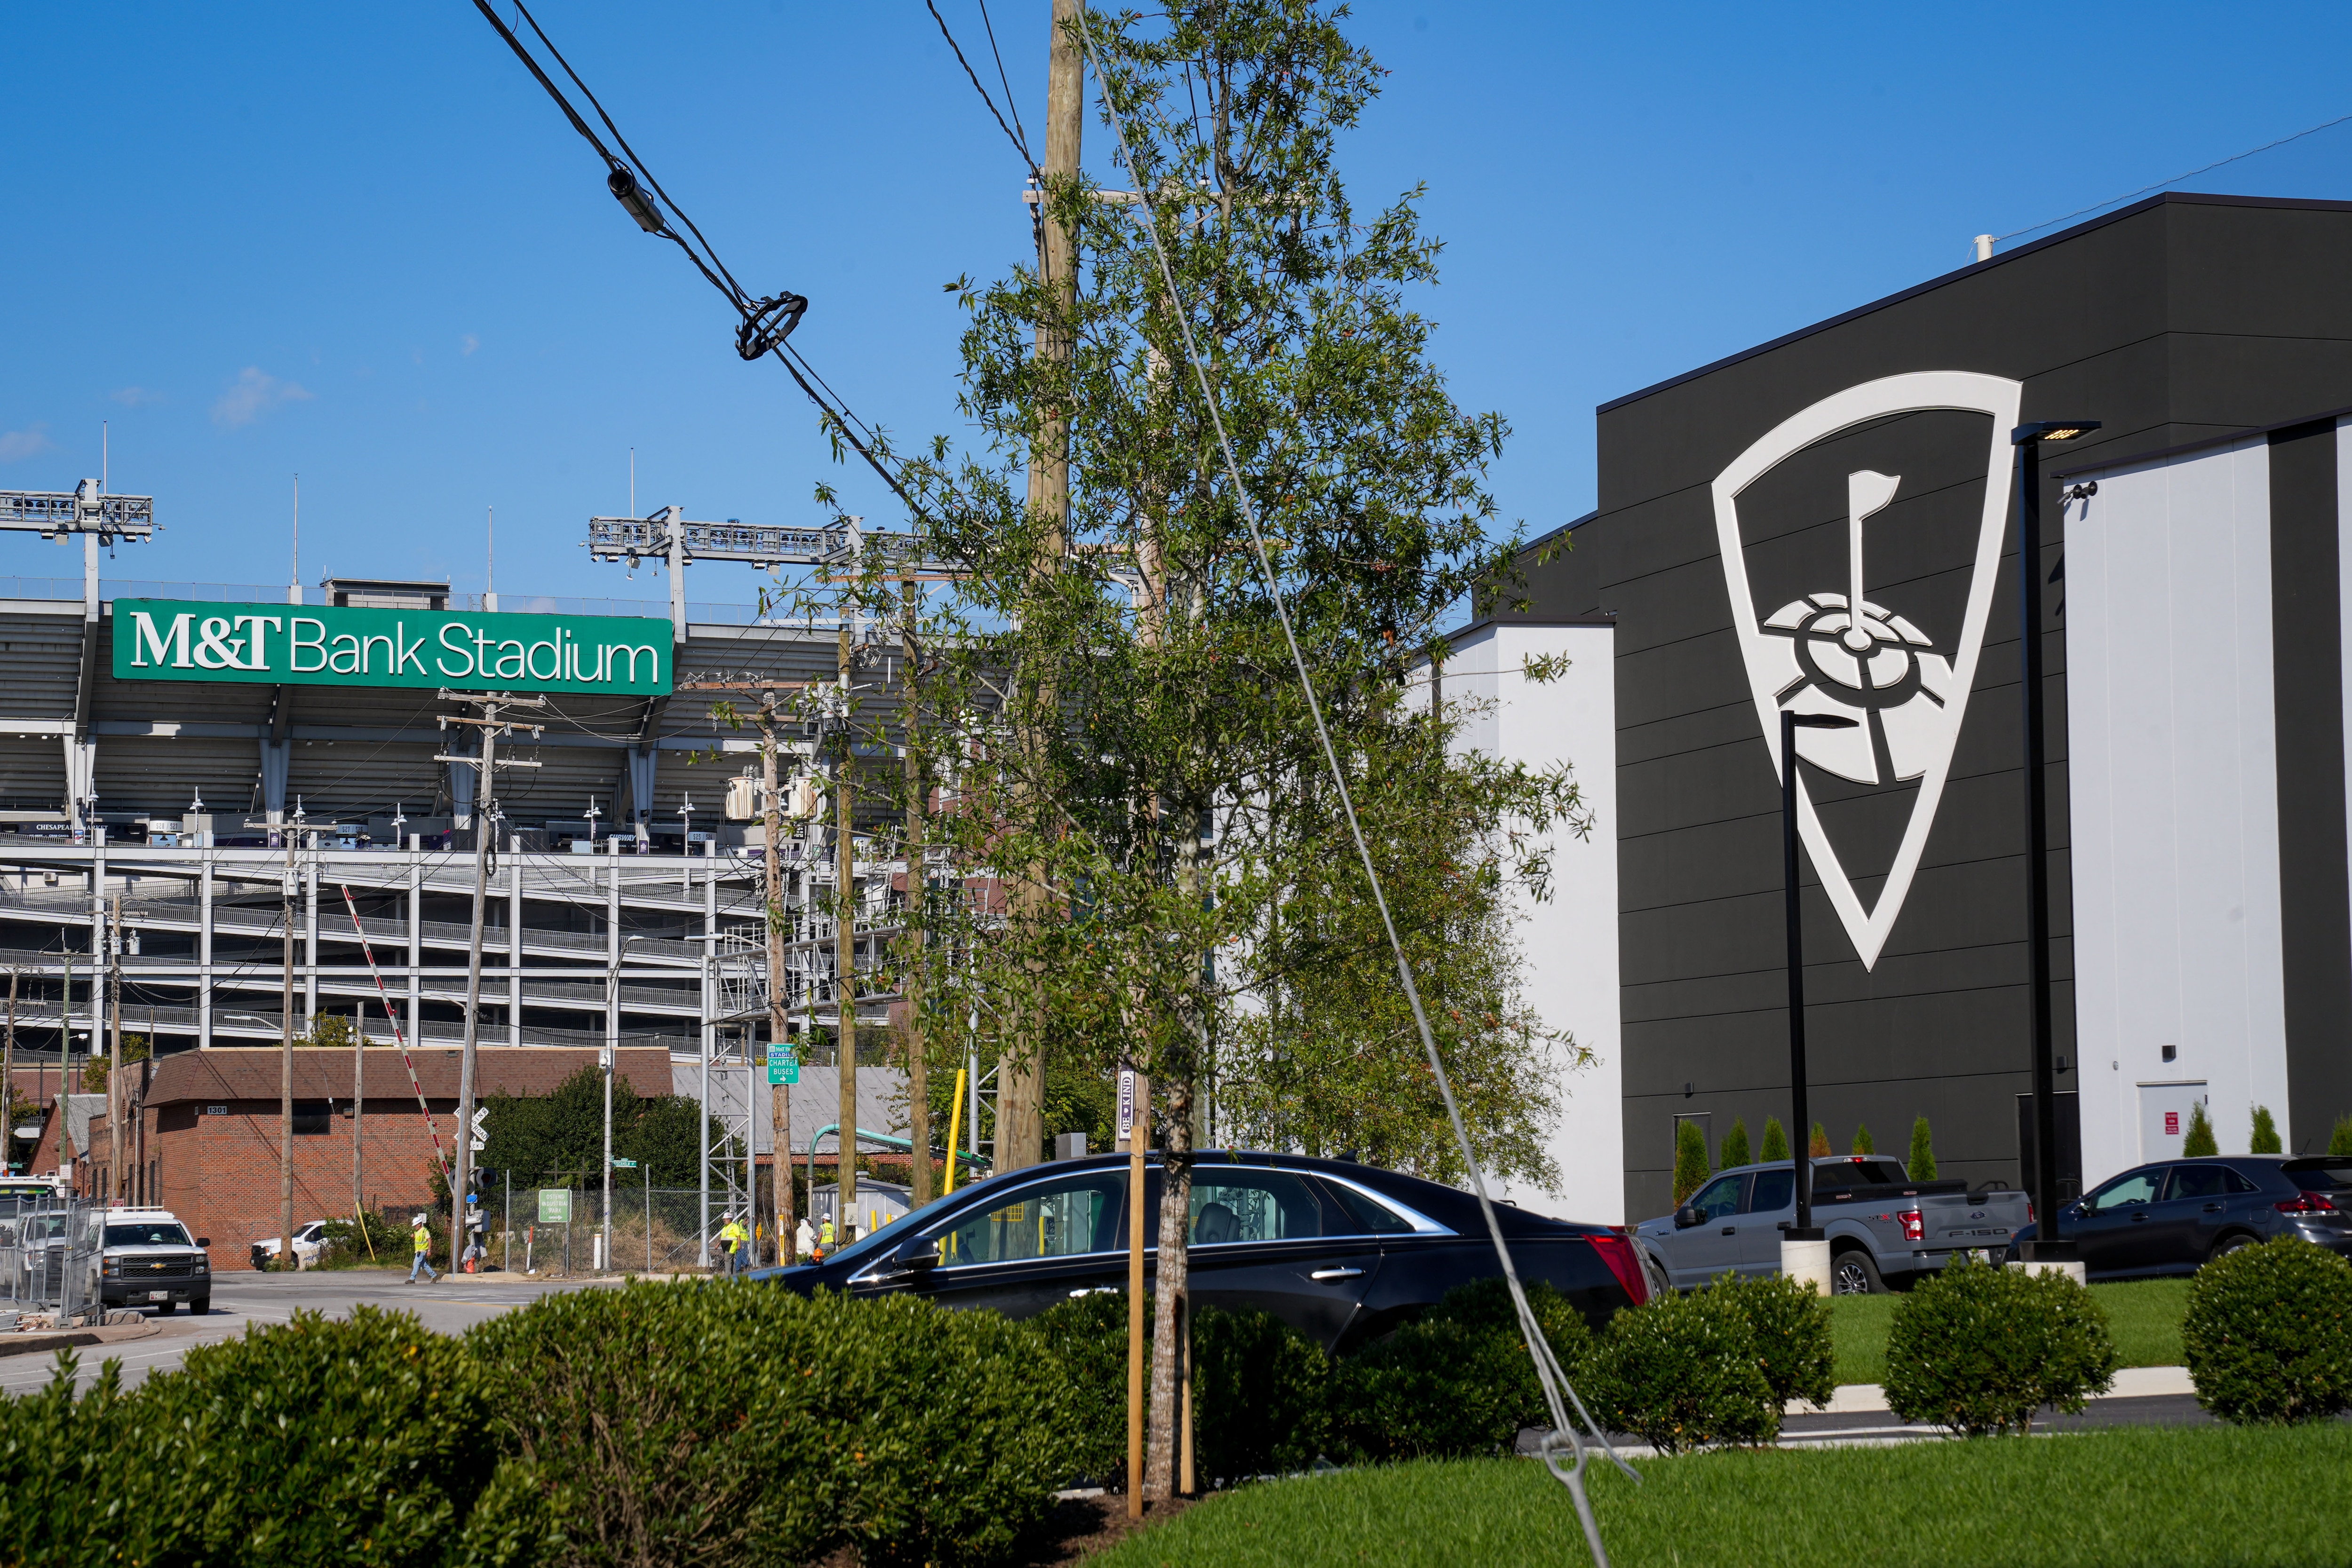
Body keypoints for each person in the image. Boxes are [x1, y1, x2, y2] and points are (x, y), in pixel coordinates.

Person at [405, 1214, 439, 1284]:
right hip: (418, 1251)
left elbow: (430, 1240)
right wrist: (413, 1238)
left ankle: (412, 1278)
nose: (415, 1227)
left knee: (416, 1264)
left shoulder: (425, 1231)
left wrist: (429, 1250)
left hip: (422, 1251)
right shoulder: (416, 1232)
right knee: (424, 1265)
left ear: (420, 1224)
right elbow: (417, 1241)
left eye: (416, 1225)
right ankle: (434, 1275)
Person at [718, 1212, 748, 1276]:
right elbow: (723, 1237)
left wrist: (739, 1245)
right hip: (726, 1247)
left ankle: (728, 1276)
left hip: (731, 1247)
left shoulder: (734, 1226)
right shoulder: (726, 1227)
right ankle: (734, 1275)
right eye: (724, 1220)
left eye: (725, 1219)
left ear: (729, 1219)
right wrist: (718, 1244)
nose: (724, 1221)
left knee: (727, 1260)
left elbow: (738, 1236)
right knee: (732, 1261)